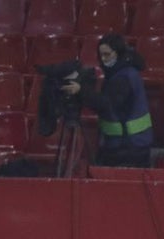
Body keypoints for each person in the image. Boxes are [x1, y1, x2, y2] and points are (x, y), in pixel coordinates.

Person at [62, 34, 153, 168]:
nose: (103, 59)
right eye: (101, 55)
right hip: (123, 144)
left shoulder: (123, 77)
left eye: (107, 54)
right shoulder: (119, 73)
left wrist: (81, 91)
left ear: (118, 53)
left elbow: (107, 104)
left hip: (129, 147)